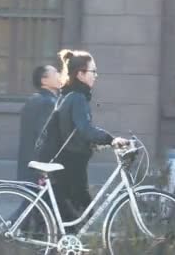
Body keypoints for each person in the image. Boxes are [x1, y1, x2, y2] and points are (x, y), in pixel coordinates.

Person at [52, 49, 129, 224]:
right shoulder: (78, 97)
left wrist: (93, 143)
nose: (96, 75)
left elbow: (74, 130)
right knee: (83, 214)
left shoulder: (67, 95)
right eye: (93, 71)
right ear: (80, 74)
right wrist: (111, 139)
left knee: (73, 215)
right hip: (72, 164)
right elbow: (85, 129)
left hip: (67, 161)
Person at [16, 65, 61, 182]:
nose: (60, 75)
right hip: (41, 165)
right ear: (44, 80)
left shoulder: (35, 99)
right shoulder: (48, 102)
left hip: (29, 163)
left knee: (33, 199)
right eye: (55, 72)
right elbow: (46, 135)